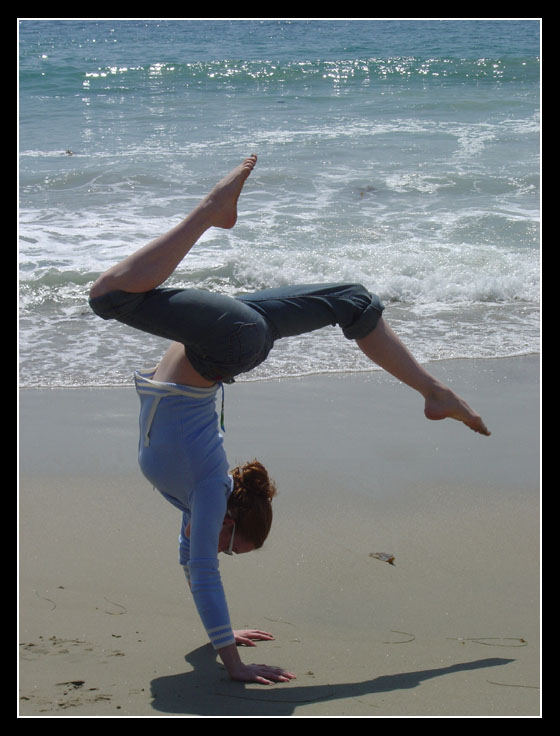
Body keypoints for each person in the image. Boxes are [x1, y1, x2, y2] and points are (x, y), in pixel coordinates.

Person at [88, 154, 490, 686]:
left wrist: (225, 641)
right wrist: (231, 657)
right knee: (111, 297)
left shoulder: (195, 500)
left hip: (229, 339)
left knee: (351, 301)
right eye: (229, 545)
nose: (216, 550)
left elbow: (193, 563)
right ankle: (212, 212)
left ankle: (434, 392)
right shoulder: (208, 489)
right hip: (226, 343)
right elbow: (203, 571)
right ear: (227, 521)